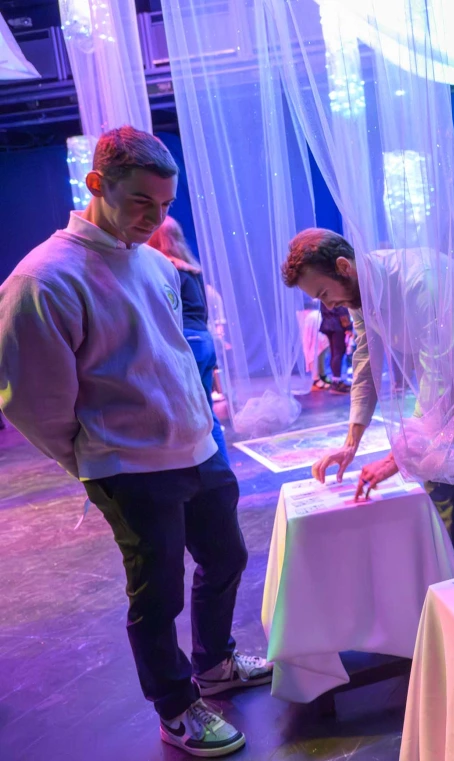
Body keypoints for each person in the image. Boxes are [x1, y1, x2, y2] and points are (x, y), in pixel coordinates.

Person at [0, 126, 270, 758]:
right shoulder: (43, 278)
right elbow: (30, 401)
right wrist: (92, 456)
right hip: (128, 466)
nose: (156, 218)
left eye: (166, 206)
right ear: (97, 185)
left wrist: (200, 426)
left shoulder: (154, 263)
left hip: (197, 448)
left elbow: (170, 357)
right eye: (142, 202)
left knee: (226, 558)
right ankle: (176, 708)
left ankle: (215, 664)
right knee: (157, 594)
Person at [282, 228, 454, 570]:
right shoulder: (359, 292)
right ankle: (445, 590)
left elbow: (442, 376)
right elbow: (365, 358)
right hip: (436, 369)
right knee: (437, 493)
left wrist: (396, 459)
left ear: (344, 266)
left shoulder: (423, 281)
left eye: (324, 293)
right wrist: (351, 443)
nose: (327, 305)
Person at [147, 216, 229, 463]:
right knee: (206, 412)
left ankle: (192, 471)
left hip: (185, 342)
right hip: (203, 341)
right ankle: (220, 469)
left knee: (179, 413)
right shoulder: (192, 271)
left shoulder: (161, 269)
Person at [319, 302, 352, 393]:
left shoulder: (324, 293)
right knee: (338, 353)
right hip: (337, 325)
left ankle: (336, 380)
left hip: (327, 324)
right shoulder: (335, 292)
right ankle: (336, 382)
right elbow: (342, 310)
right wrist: (348, 327)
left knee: (334, 353)